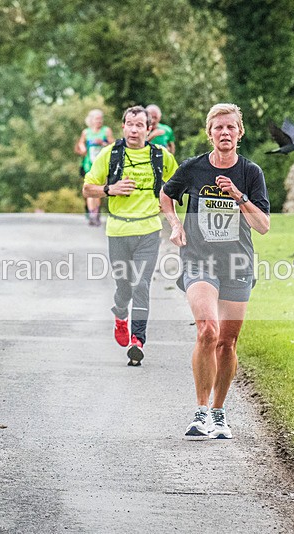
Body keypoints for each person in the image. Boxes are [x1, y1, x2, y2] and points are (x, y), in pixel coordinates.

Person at [160, 103, 270, 439]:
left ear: (240, 133)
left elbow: (263, 225)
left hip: (237, 263)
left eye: (231, 128)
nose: (225, 133)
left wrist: (238, 195)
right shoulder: (193, 168)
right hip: (199, 259)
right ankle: (201, 411)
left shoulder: (251, 174)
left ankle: (220, 414)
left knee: (227, 342)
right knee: (207, 330)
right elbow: (166, 195)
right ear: (210, 133)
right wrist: (176, 225)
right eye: (218, 128)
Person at [83, 106, 178, 366]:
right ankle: (120, 314)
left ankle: (138, 341)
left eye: (140, 125)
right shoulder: (110, 154)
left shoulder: (161, 156)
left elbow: (177, 183)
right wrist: (110, 189)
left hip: (148, 231)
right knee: (124, 287)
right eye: (130, 124)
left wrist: (168, 201)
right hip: (118, 231)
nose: (134, 129)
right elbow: (87, 189)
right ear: (123, 126)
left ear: (149, 130)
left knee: (142, 284)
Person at [76, 109, 114, 226]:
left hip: (102, 165)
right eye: (96, 119)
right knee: (89, 188)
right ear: (91, 120)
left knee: (97, 189)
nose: (99, 121)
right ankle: (92, 215)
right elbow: (81, 144)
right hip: (88, 164)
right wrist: (82, 148)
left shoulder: (106, 131)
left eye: (100, 119)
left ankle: (96, 213)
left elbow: (113, 144)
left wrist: (103, 143)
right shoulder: (86, 132)